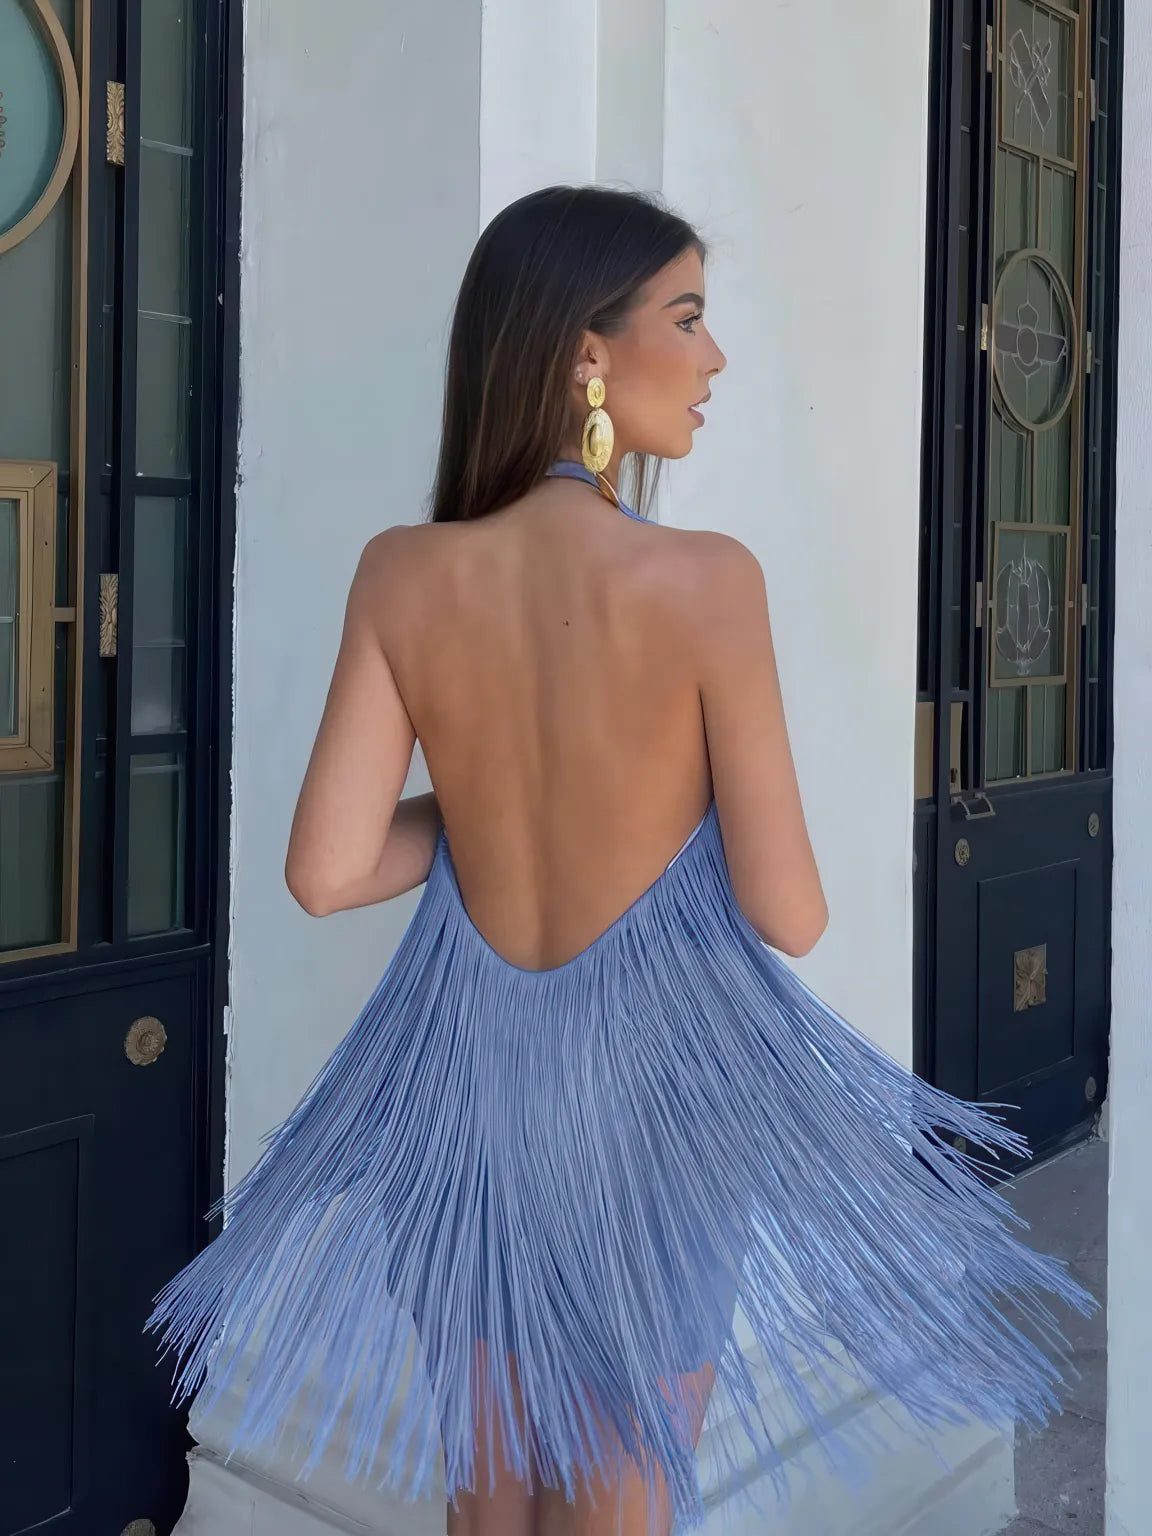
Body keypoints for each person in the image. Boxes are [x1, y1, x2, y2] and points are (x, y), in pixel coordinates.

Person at [144, 185, 1098, 1536]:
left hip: (459, 1091)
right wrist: (652, 798)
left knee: (490, 1495)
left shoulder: (405, 571)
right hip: (653, 1104)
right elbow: (791, 909)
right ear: (588, 352)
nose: (715, 361)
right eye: (690, 318)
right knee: (622, 1490)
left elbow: (328, 869)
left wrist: (485, 804)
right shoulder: (705, 581)